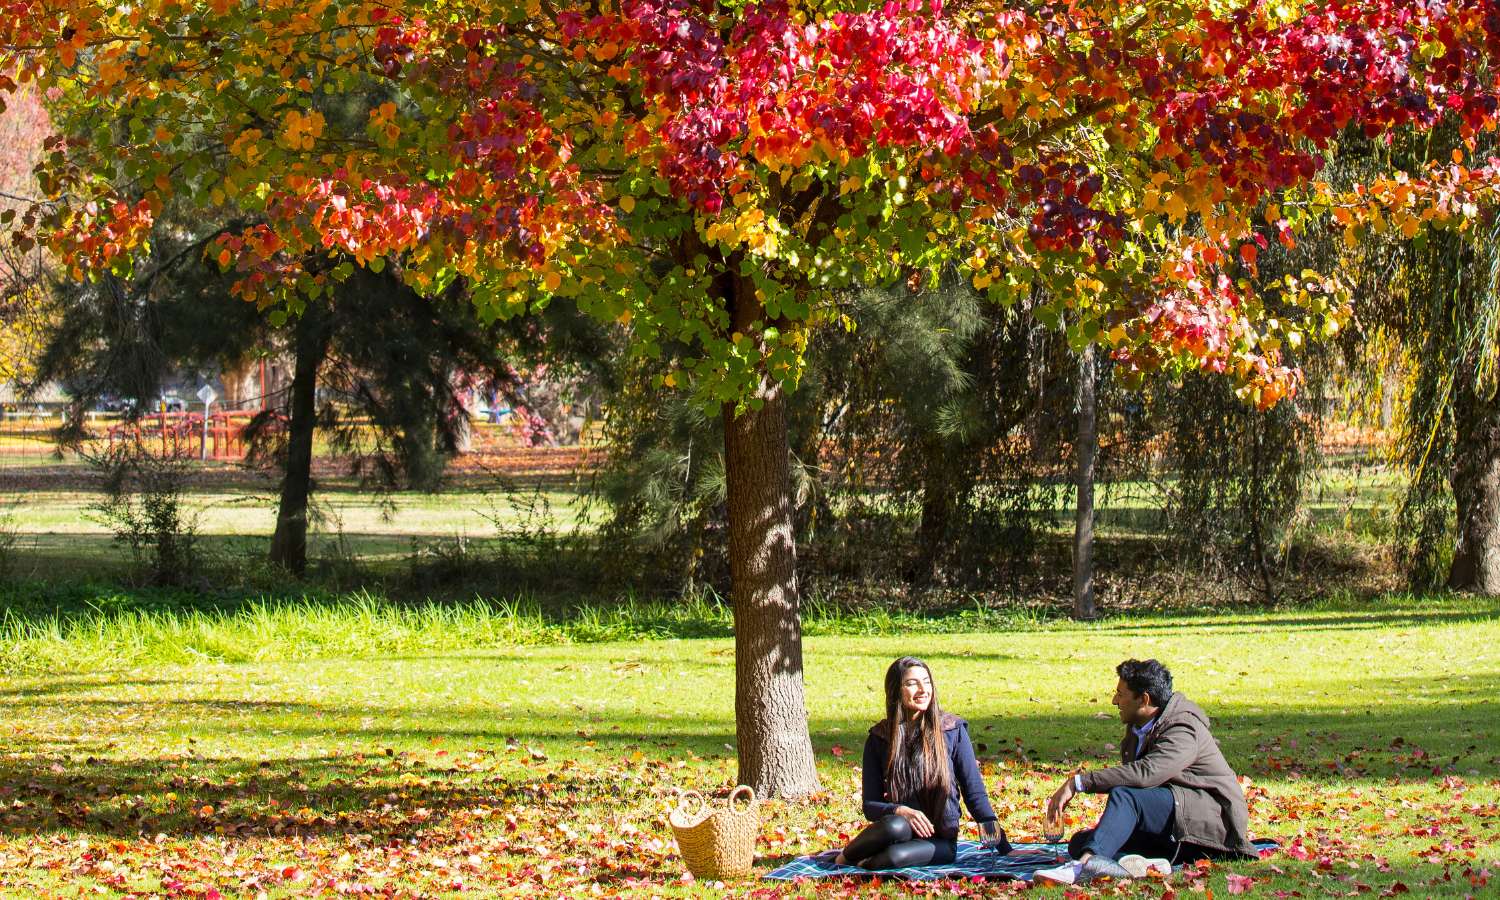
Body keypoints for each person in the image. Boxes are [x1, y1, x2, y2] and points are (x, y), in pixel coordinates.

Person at [1037, 659, 1259, 885]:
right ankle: (1145, 864)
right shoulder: (1140, 728)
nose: (1115, 701)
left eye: (1121, 694)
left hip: (1211, 828)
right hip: (1174, 822)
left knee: (1125, 798)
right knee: (1080, 842)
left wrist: (1079, 783)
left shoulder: (1183, 728)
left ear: (1144, 699)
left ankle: (1085, 866)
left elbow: (1146, 774)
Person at [836, 655, 1009, 869]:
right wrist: (900, 810)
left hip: (940, 842)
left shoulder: (952, 730)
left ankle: (863, 861)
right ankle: (843, 858)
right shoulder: (879, 738)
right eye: (911, 683)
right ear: (895, 691)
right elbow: (870, 806)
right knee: (895, 827)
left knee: (893, 857)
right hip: (899, 830)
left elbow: (975, 796)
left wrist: (1005, 849)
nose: (923, 689)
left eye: (927, 682)